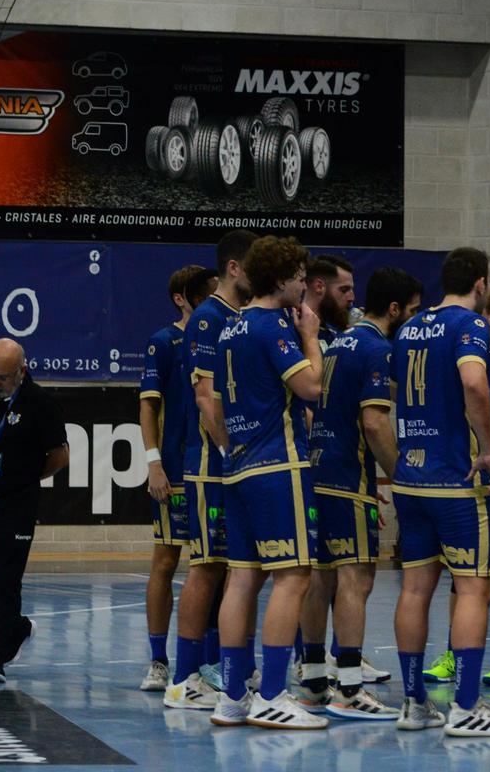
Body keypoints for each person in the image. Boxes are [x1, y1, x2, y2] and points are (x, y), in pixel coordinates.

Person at [390, 247, 490, 737]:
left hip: (410, 477)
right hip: (456, 479)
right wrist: (488, 449)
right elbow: (474, 386)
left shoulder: (408, 328)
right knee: (473, 586)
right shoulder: (469, 325)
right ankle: (466, 708)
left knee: (414, 588)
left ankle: (412, 703)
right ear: (482, 283)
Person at [211, 235, 326, 729]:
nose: (305, 284)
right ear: (281, 280)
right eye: (300, 276)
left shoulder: (229, 330)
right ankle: (275, 693)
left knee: (241, 579)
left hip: (235, 467)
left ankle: (233, 696)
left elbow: (213, 403)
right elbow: (311, 388)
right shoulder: (270, 326)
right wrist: (311, 339)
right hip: (277, 466)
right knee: (294, 575)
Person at [298, 266, 422, 719]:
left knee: (322, 576)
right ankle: (350, 687)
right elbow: (373, 422)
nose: (413, 319)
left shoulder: (341, 341)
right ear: (394, 310)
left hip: (319, 469)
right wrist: (403, 476)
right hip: (349, 476)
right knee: (357, 577)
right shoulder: (374, 346)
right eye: (411, 312)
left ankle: (314, 681)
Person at [164, 229, 256, 710]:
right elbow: (205, 399)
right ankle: (183, 679)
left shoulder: (244, 318)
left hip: (235, 467)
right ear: (235, 268)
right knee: (205, 566)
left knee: (238, 568)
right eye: (254, 267)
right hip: (208, 467)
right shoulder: (207, 319)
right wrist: (228, 452)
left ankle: (233, 669)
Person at [421, 288, 490, 688]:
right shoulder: (454, 356)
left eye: (486, 319)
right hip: (458, 473)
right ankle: (451, 654)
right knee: (460, 568)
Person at [0, 339, 68, 683]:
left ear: (21, 371)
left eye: (2, 378)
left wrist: (24, 478)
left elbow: (59, 456)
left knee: (7, 575)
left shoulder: (40, 404)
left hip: (16, 501)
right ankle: (15, 627)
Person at [139, 263, 207, 692]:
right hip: (175, 470)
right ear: (182, 298)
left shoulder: (219, 337)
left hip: (213, 473)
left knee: (214, 565)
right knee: (165, 561)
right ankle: (158, 660)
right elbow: (148, 407)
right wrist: (154, 464)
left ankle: (207, 661)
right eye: (203, 293)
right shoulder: (164, 342)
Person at [304, 254, 356, 347]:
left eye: (351, 290)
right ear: (319, 287)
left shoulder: (340, 333)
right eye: (344, 290)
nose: (352, 298)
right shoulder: (291, 331)